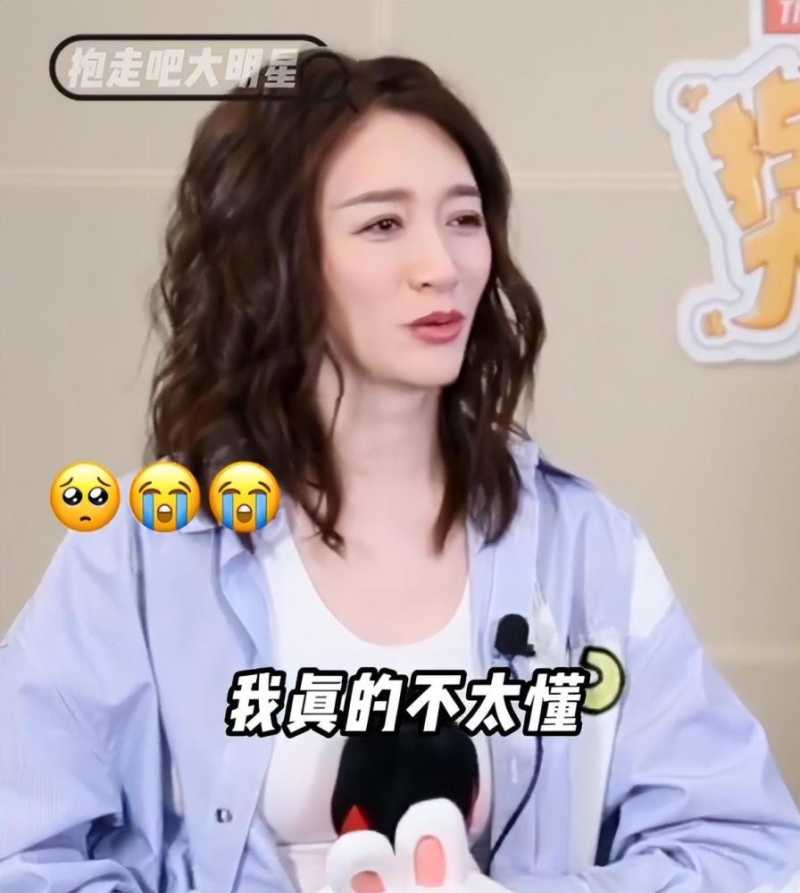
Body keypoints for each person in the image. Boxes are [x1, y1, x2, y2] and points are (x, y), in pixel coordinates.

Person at [1, 48, 799, 893]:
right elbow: (21, 855)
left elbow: (750, 855)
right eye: (383, 224)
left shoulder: (583, 551)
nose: (442, 265)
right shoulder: (139, 558)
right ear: (271, 260)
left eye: (463, 219)